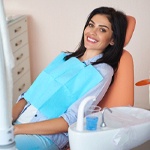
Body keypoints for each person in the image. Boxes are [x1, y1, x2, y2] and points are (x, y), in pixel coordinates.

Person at [12, 6, 127, 150]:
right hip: (17, 123)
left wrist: (17, 131)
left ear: (113, 40)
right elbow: (28, 96)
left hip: (44, 136)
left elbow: (70, 120)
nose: (92, 32)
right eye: (91, 25)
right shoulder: (64, 58)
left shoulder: (102, 71)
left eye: (102, 29)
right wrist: (8, 121)